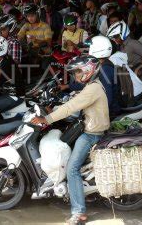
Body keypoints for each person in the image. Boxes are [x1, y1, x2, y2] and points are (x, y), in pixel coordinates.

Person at [30, 56, 110, 225]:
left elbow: (71, 107)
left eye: (78, 71)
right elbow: (73, 102)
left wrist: (47, 119)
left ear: (88, 71)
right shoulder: (92, 86)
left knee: (71, 169)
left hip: (91, 134)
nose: (76, 75)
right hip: (91, 129)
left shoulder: (92, 89)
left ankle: (79, 213)